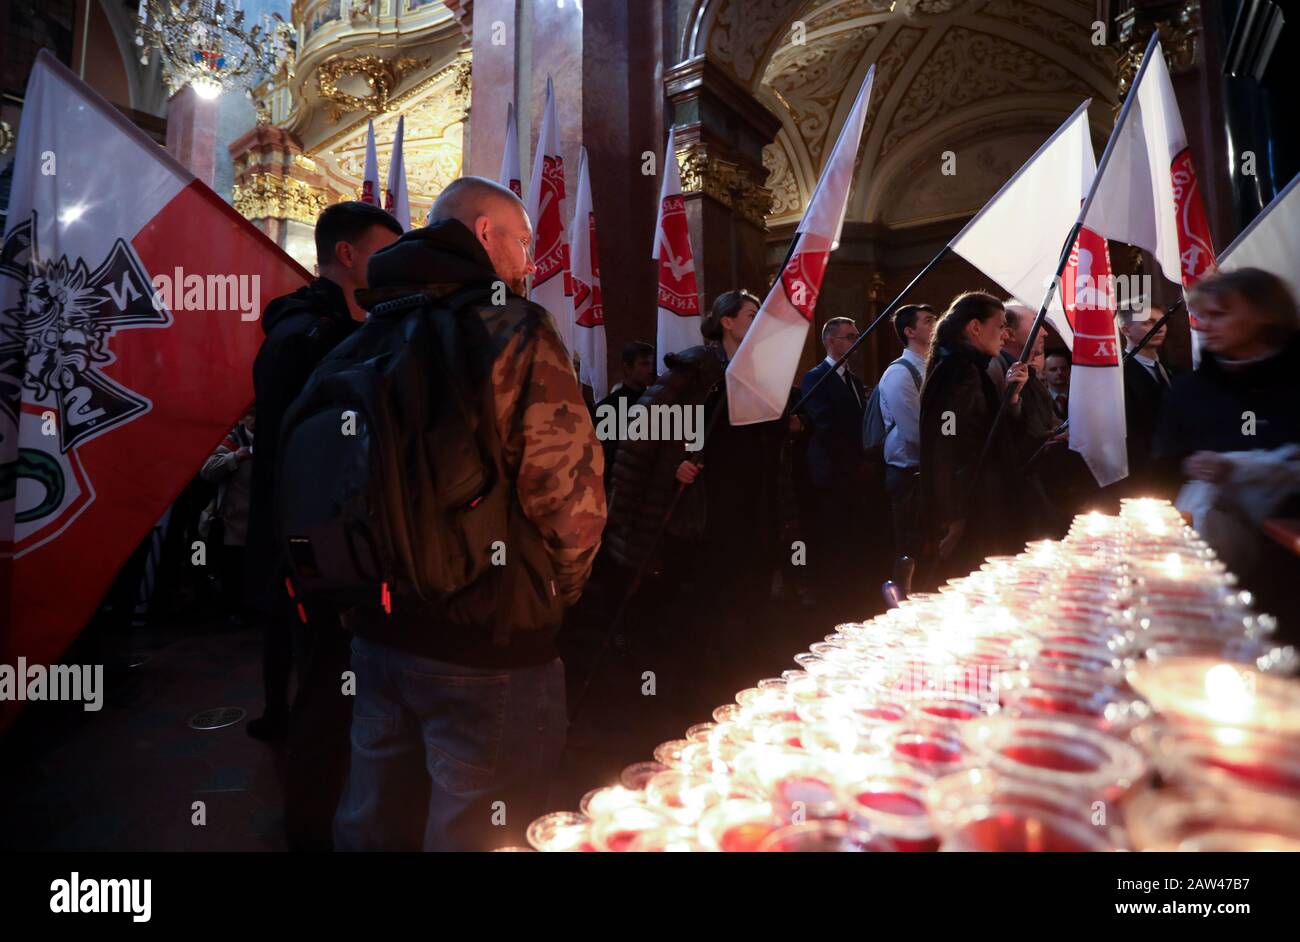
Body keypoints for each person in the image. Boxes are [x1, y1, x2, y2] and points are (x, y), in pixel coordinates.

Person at [332, 176, 606, 852]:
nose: (529, 260)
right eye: (521, 240)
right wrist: (552, 592)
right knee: (487, 829)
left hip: (375, 628)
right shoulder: (511, 327)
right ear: (484, 234)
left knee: (374, 818)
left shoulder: (366, 335)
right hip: (489, 643)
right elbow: (566, 492)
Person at [242, 201, 402, 851]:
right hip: (317, 542)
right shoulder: (307, 338)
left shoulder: (334, 328)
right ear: (347, 254)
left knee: (346, 685)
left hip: (343, 539)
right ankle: (312, 831)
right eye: (384, 252)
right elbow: (303, 461)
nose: (393, 267)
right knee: (328, 689)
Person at [607, 290, 798, 710]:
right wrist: (675, 462)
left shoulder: (764, 375)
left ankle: (740, 692)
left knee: (745, 613)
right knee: (698, 616)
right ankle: (689, 703)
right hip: (703, 518)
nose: (760, 322)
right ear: (726, 322)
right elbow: (641, 435)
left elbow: (774, 452)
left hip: (751, 514)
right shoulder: (694, 370)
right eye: (752, 314)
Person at [1154, 268, 1300, 641]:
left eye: (1221, 314)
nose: (1205, 326)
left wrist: (1267, 467)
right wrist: (1191, 463)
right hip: (1222, 560)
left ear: (1265, 313)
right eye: (1203, 316)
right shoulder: (1190, 390)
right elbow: (1164, 462)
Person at [918, 292, 1029, 583]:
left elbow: (983, 430)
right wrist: (953, 517)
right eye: (1000, 325)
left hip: (977, 500)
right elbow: (947, 446)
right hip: (973, 506)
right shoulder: (960, 373)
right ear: (975, 327)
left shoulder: (969, 369)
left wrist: (1012, 396)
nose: (1006, 335)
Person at [799, 317, 870, 614]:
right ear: (830, 341)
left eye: (856, 336)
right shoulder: (815, 378)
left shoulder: (853, 379)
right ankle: (831, 599)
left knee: (854, 535)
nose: (855, 341)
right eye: (849, 337)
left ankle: (853, 593)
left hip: (855, 470)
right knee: (833, 536)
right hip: (831, 470)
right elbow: (825, 424)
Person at [877, 304, 935, 566]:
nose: (936, 323)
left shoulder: (930, 366)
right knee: (911, 548)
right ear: (910, 331)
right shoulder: (900, 372)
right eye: (928, 320)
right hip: (908, 472)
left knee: (931, 545)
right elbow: (915, 432)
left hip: (929, 469)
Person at [199, 406, 255, 624]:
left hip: (258, 521)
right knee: (230, 569)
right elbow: (207, 470)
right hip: (233, 520)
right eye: (252, 414)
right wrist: (236, 457)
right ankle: (230, 611)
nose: (256, 419)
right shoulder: (234, 439)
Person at [1118, 300, 1177, 493]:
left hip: (1174, 472)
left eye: (1162, 321)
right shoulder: (1118, 374)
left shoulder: (1173, 372)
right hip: (1141, 477)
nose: (1159, 328)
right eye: (1148, 322)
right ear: (1126, 329)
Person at [593, 341, 656, 484]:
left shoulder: (657, 403)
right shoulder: (607, 407)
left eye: (652, 364)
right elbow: (603, 451)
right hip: (619, 483)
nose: (651, 370)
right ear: (627, 367)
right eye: (644, 364)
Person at [1044, 352, 1071, 418]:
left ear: (1069, 371)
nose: (1059, 372)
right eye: (1053, 369)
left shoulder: (1079, 396)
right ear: (1044, 373)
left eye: (1063, 369)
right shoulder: (1039, 397)